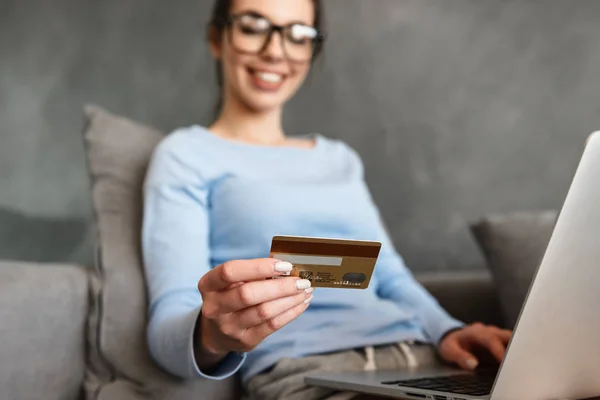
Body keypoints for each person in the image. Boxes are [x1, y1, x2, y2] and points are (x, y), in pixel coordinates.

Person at [141, 0, 512, 399]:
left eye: (298, 35)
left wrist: (449, 330)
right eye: (252, 26)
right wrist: (210, 336)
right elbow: (169, 326)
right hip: (310, 371)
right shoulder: (185, 154)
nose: (275, 51)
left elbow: (386, 274)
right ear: (218, 37)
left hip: (422, 363)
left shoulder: (339, 160)